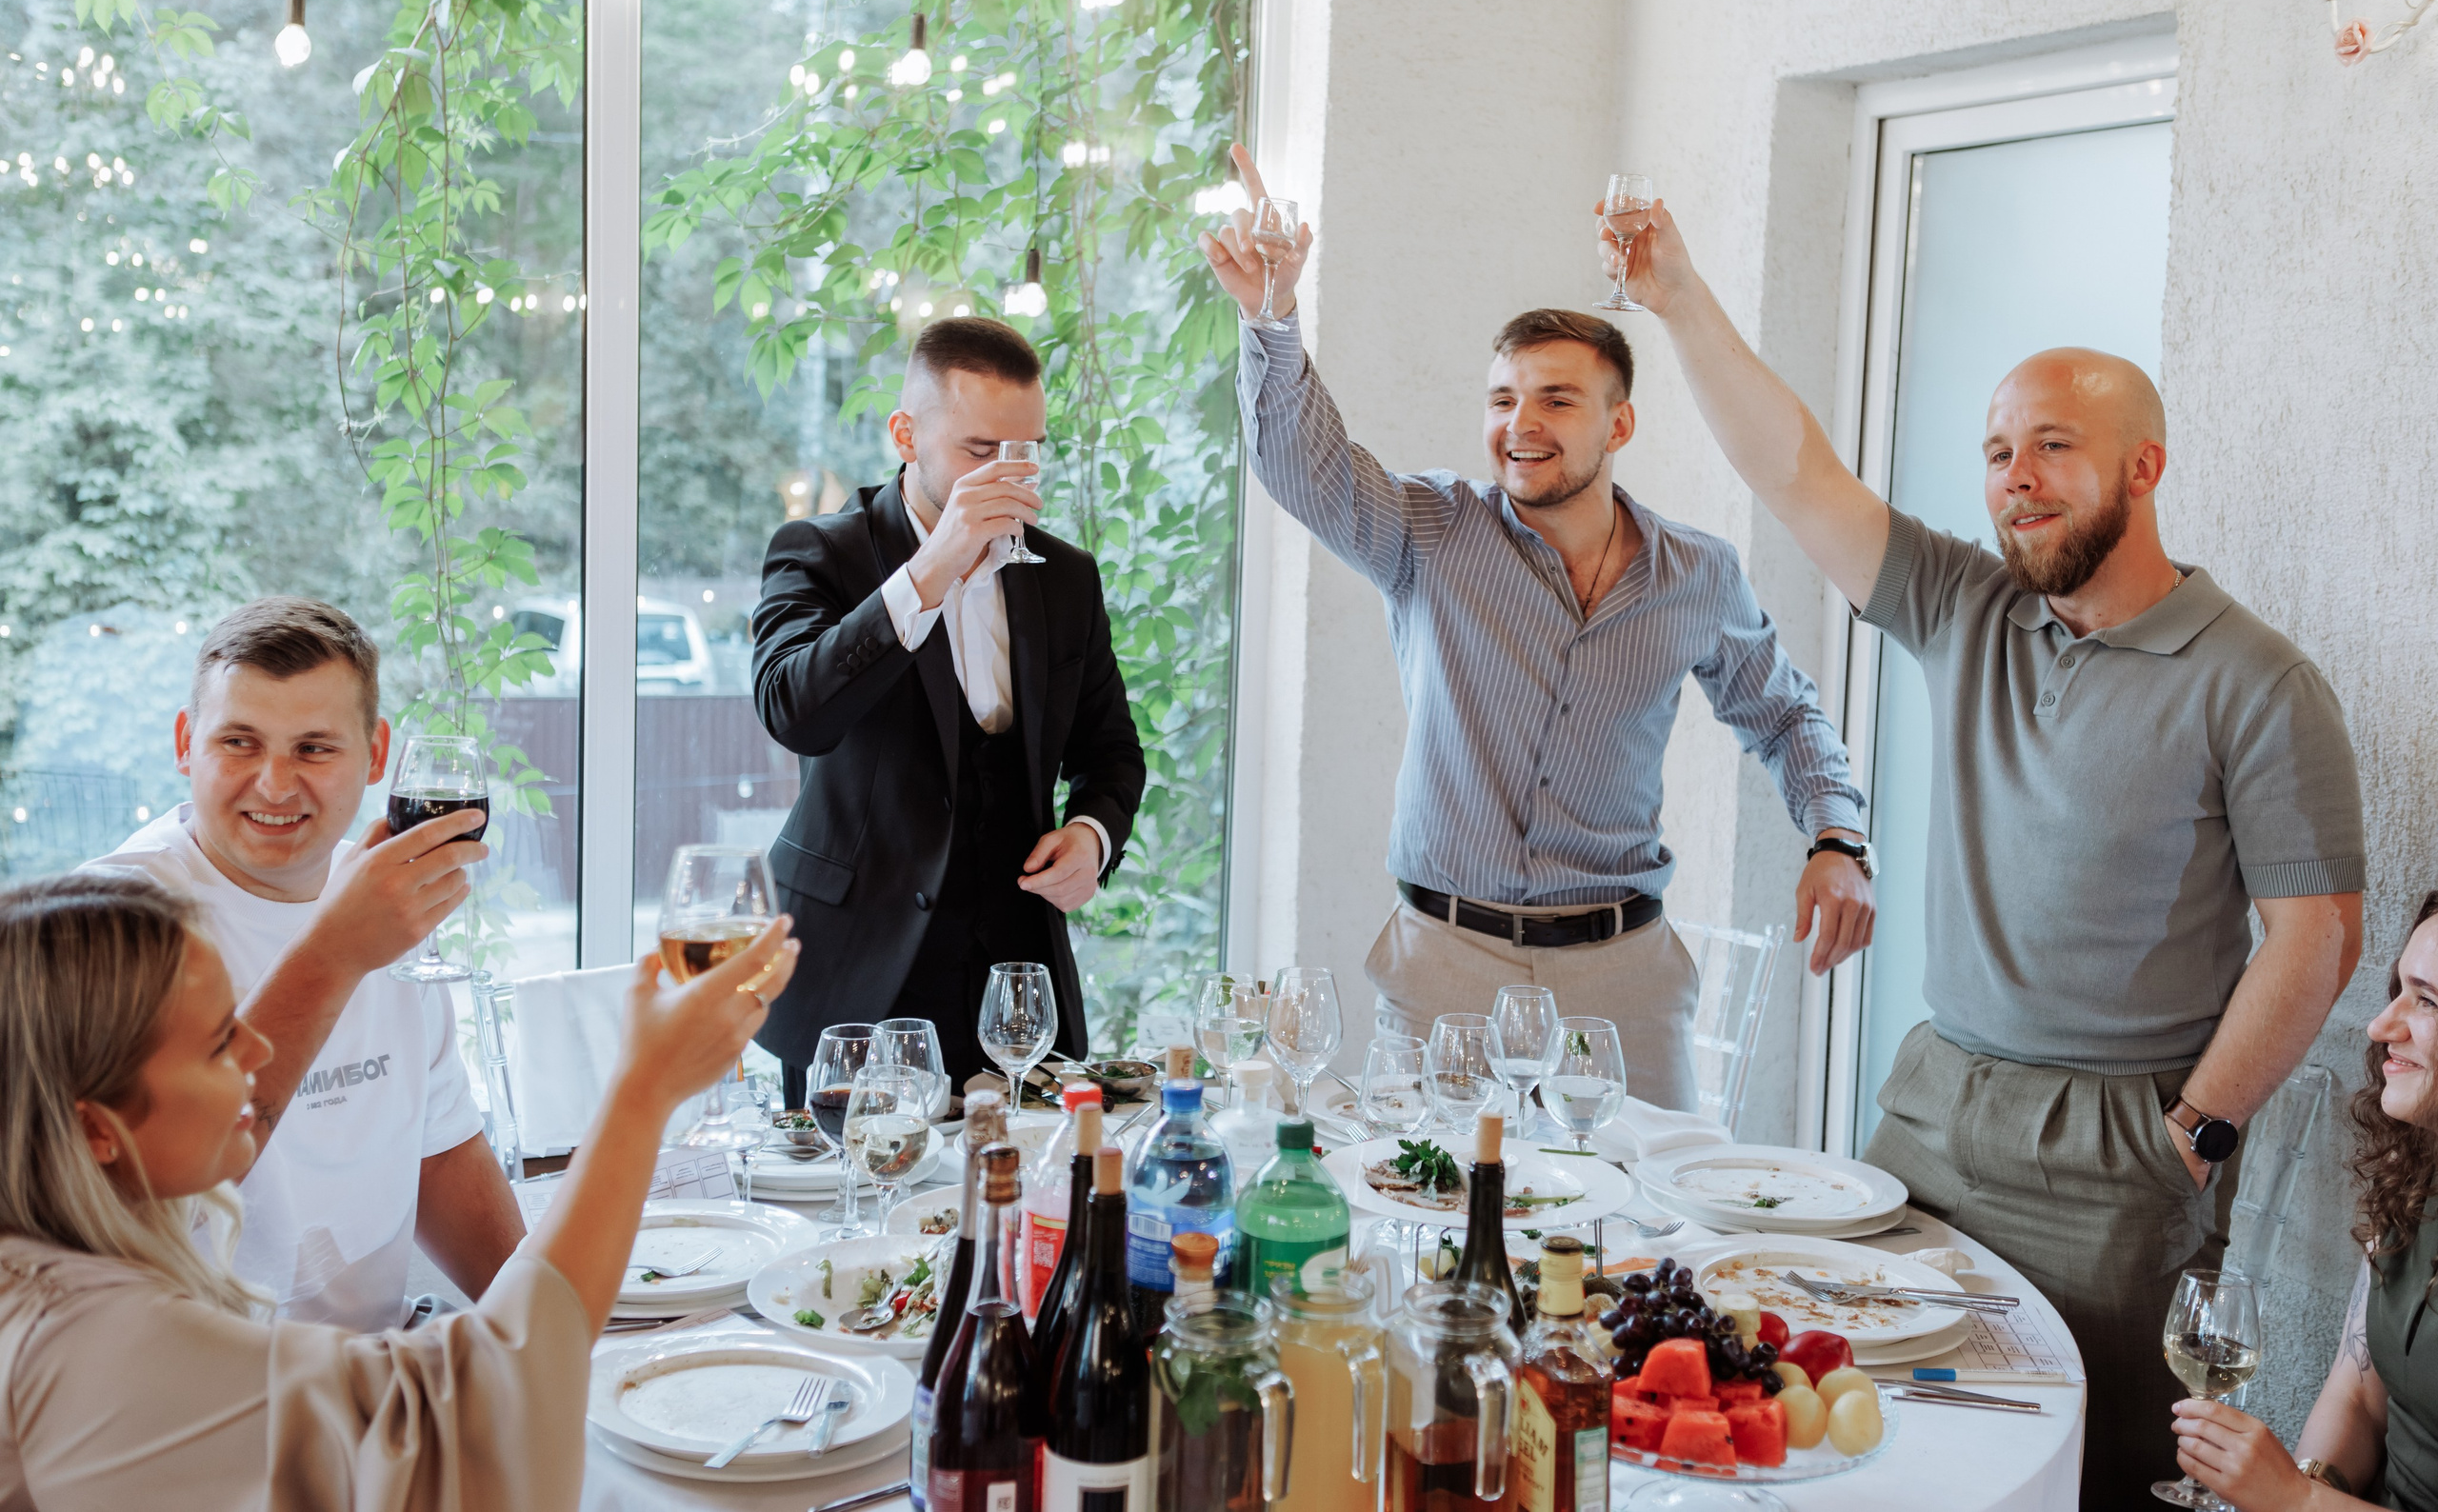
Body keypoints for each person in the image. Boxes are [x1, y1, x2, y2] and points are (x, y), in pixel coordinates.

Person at [1602, 195, 2365, 1500]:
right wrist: (1674, 297)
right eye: (1999, 448)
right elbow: (1795, 472)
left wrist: (2194, 1128)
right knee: (1877, 1421)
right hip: (1935, 1103)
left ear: (2143, 468)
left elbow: (2320, 933)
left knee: (2088, 1462)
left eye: (2054, 446)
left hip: (2118, 1142)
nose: (2016, 476)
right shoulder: (1966, 604)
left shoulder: (2258, 678)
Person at [1198, 148, 1874, 1111]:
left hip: (1621, 985)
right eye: (1504, 399)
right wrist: (1270, 318)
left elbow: (1785, 716)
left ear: (1619, 426)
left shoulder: (1698, 574)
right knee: (1429, 1225)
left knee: (1646, 1242)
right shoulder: (1430, 532)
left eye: (1557, 399)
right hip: (1446, 973)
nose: (1522, 422)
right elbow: (1307, 472)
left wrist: (1837, 838)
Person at [0, 868, 794, 1511]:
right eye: (218, 1041)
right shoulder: (99, 1349)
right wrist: (643, 1090)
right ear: (97, 1129)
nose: (258, 1046)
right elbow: (477, 1406)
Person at [87, 597, 523, 1330]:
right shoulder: (113, 919)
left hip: (373, 1372)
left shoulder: (382, 894)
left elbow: (441, 1155)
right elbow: (138, 1184)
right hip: (199, 1397)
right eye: (240, 743)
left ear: (377, 753)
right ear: (186, 743)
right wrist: (336, 951)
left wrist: (560, 1335)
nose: (276, 784)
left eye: (315, 748)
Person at [751, 316, 1147, 1100]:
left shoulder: (1065, 575)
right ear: (906, 434)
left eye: (1025, 451)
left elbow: (1111, 752)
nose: (1008, 474)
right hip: (856, 981)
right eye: (979, 451)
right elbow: (793, 709)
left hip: (1018, 986)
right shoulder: (819, 552)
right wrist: (932, 568)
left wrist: (1091, 837)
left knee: (1020, 1207)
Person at [2170, 891, 2438, 1512]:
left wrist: (2294, 1498)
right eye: (2398, 987)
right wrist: (2312, 1482)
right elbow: (2361, 1392)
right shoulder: (2417, 1170)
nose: (2380, 1026)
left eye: (2426, 1000)